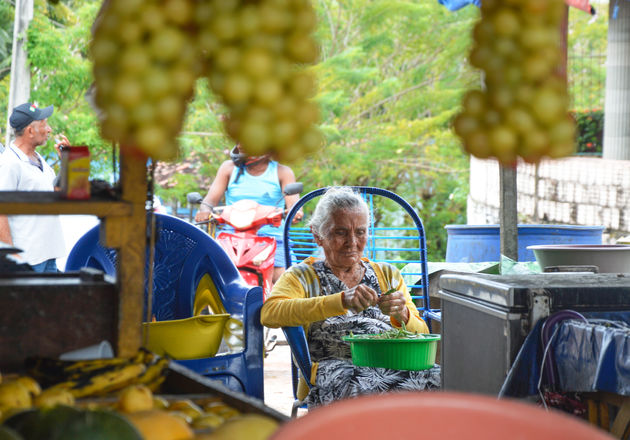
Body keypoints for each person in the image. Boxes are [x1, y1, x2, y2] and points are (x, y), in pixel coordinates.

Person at [261, 186, 440, 408]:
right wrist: (341, 301)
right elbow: (270, 313)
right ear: (318, 236)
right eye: (340, 232)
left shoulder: (387, 274)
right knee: (370, 387)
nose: (352, 242)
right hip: (337, 368)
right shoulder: (302, 276)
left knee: (442, 379)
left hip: (392, 361)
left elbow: (422, 334)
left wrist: (401, 314)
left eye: (360, 232)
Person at [194, 144, 303, 283]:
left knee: (288, 283)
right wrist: (204, 210)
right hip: (231, 236)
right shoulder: (228, 168)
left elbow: (293, 205)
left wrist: (295, 212)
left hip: (271, 238)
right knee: (203, 279)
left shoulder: (282, 172)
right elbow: (209, 200)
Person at [0, 102, 69, 272]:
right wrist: (12, 257)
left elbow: (57, 194)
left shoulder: (39, 159)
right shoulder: (9, 164)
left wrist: (67, 162)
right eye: (45, 124)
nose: (49, 130)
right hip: (28, 259)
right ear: (30, 131)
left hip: (48, 254)